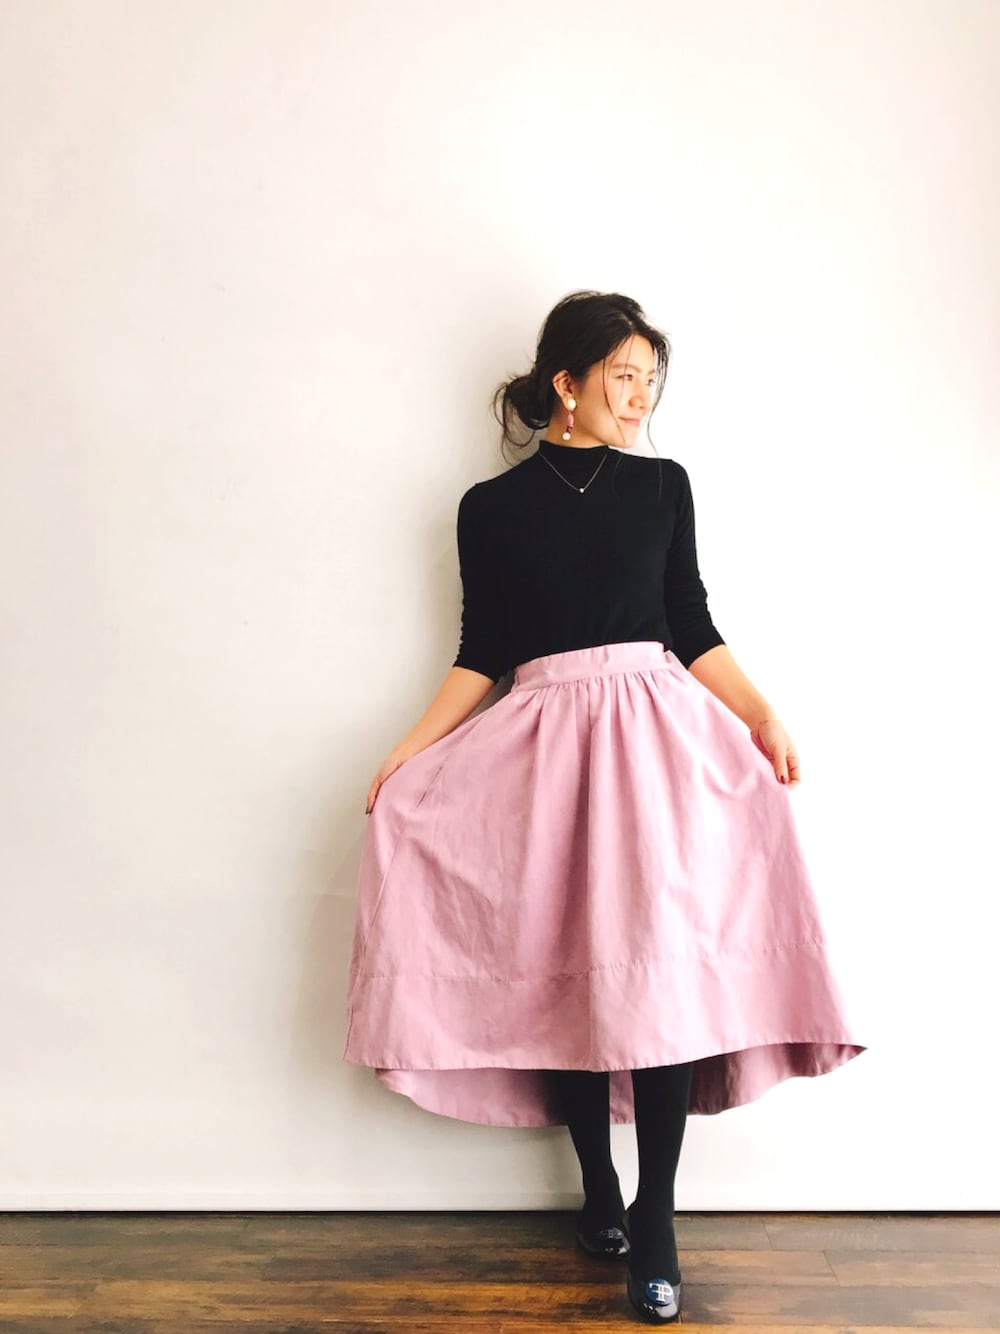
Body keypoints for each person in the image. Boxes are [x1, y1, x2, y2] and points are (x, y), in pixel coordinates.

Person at [343, 289, 866, 1325]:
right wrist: (407, 752)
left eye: (649, 381)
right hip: (540, 751)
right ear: (566, 383)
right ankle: (598, 1187)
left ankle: (655, 1214)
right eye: (624, 376)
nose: (640, 397)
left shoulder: (663, 485)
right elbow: (484, 650)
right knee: (569, 966)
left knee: (661, 970)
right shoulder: (487, 508)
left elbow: (690, 623)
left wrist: (763, 714)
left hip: (656, 746)